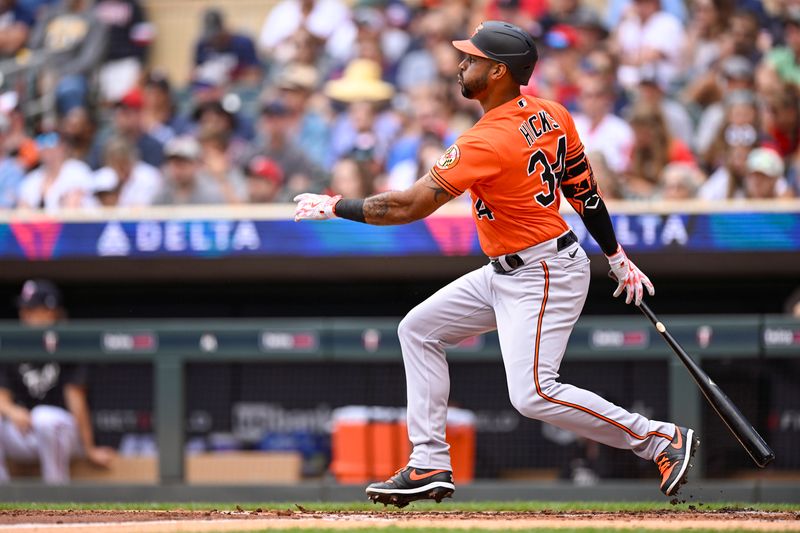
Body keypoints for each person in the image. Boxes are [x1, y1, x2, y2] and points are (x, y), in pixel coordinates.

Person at [294, 20, 697, 506]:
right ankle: (429, 462)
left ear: (499, 71)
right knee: (418, 329)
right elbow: (585, 194)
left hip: (543, 270)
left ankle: (659, 438)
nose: (462, 65)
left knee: (533, 394)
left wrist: (337, 205)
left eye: (472, 59)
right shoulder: (552, 115)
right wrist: (616, 255)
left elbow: (408, 207)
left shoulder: (485, 140)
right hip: (506, 269)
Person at [0, 280, 115, 484]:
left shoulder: (68, 342)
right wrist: (11, 411)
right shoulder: (12, 343)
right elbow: (3, 395)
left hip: (63, 433)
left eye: (32, 309)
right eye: (23, 309)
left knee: (44, 417)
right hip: (24, 433)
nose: (25, 315)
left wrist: (89, 449)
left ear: (50, 311)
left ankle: (56, 494)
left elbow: (76, 399)